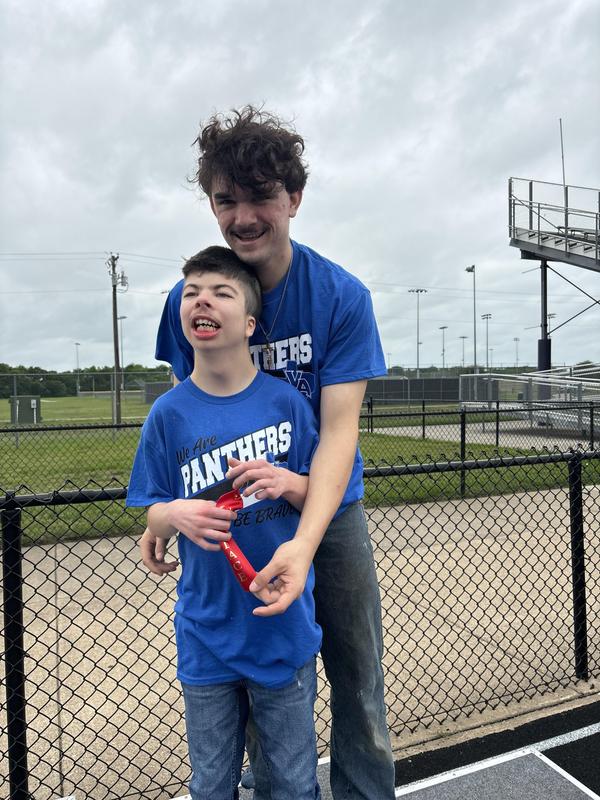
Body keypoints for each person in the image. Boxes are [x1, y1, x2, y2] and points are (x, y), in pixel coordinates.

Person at [140, 106, 396, 799]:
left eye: (261, 197)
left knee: (357, 680)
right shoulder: (189, 299)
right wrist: (161, 513)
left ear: (294, 199)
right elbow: (188, 411)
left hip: (324, 513)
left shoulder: (340, 296)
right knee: (258, 694)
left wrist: (306, 541)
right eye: (227, 199)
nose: (243, 216)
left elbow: (340, 433)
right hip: (241, 521)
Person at [127, 246, 322, 800]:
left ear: (250, 322)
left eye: (221, 292)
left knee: (290, 781)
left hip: (281, 627)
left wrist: (291, 482)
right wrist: (172, 514)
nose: (202, 300)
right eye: (190, 293)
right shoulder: (169, 413)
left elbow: (322, 493)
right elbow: (152, 505)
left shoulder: (285, 403)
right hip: (206, 630)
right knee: (211, 783)